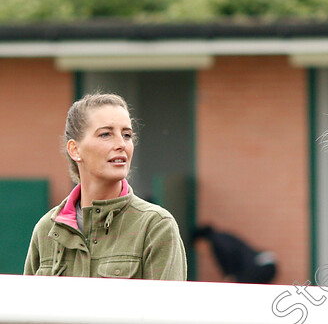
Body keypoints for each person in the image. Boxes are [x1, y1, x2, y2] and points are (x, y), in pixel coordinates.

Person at [24, 93, 187, 280]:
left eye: (127, 135)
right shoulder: (46, 230)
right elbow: (28, 307)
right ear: (75, 149)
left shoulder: (156, 226)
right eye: (106, 134)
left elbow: (165, 307)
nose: (121, 144)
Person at [193, 225, 277, 284]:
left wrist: (230, 275)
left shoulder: (217, 242)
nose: (200, 251)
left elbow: (228, 253)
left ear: (201, 241)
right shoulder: (222, 237)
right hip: (266, 262)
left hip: (258, 267)